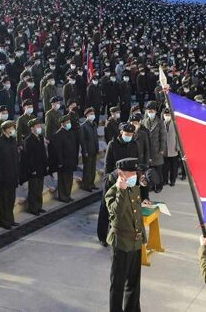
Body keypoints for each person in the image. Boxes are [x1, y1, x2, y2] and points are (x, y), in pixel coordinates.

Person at [106, 157, 146, 312]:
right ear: (121, 174)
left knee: (134, 283)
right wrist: (121, 191)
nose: (135, 176)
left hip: (135, 243)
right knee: (118, 285)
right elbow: (116, 216)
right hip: (121, 244)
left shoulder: (134, 189)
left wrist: (142, 236)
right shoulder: (112, 192)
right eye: (132, 174)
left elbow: (137, 216)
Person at [98, 123, 140, 246]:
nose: (129, 136)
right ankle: (102, 236)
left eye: (131, 135)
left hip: (129, 181)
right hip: (113, 180)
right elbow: (107, 165)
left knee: (123, 209)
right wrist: (109, 180)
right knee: (106, 208)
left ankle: (117, 235)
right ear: (121, 133)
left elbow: (137, 162)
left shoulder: (134, 144)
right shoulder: (113, 144)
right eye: (127, 134)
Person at [0, 121, 20, 230]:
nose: (13, 129)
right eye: (11, 128)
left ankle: (10, 219)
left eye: (13, 127)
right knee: (4, 201)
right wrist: (0, 179)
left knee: (11, 200)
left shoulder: (13, 141)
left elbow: (16, 158)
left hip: (12, 176)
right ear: (5, 130)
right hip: (3, 178)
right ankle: (4, 221)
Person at [50, 114, 80, 202]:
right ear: (62, 124)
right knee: (63, 180)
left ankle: (68, 194)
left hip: (71, 160)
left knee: (69, 179)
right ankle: (62, 196)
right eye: (67, 122)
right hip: (63, 161)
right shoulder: (58, 134)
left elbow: (74, 146)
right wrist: (60, 162)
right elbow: (58, 150)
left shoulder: (70, 132)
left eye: (69, 122)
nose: (69, 124)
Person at [21, 119, 48, 215]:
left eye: (39, 126)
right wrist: (32, 169)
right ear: (32, 128)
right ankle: (33, 208)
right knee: (33, 189)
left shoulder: (40, 138)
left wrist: (46, 164)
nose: (39, 128)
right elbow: (28, 157)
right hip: (34, 169)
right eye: (37, 126)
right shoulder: (28, 140)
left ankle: (39, 206)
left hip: (41, 167)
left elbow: (43, 152)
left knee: (39, 189)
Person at [80, 107, 100, 192]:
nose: (93, 115)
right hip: (88, 150)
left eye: (93, 114)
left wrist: (97, 147)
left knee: (92, 168)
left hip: (94, 149)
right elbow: (82, 140)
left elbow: (96, 137)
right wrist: (85, 151)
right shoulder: (83, 126)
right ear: (87, 115)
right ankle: (86, 185)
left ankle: (92, 183)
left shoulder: (94, 124)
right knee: (87, 169)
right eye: (91, 114)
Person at [162, 109, 181, 187]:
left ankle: (173, 180)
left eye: (169, 115)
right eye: (166, 115)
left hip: (173, 148)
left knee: (174, 167)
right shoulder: (161, 124)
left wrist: (178, 147)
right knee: (165, 167)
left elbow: (179, 137)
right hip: (164, 150)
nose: (167, 117)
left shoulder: (175, 124)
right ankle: (165, 180)